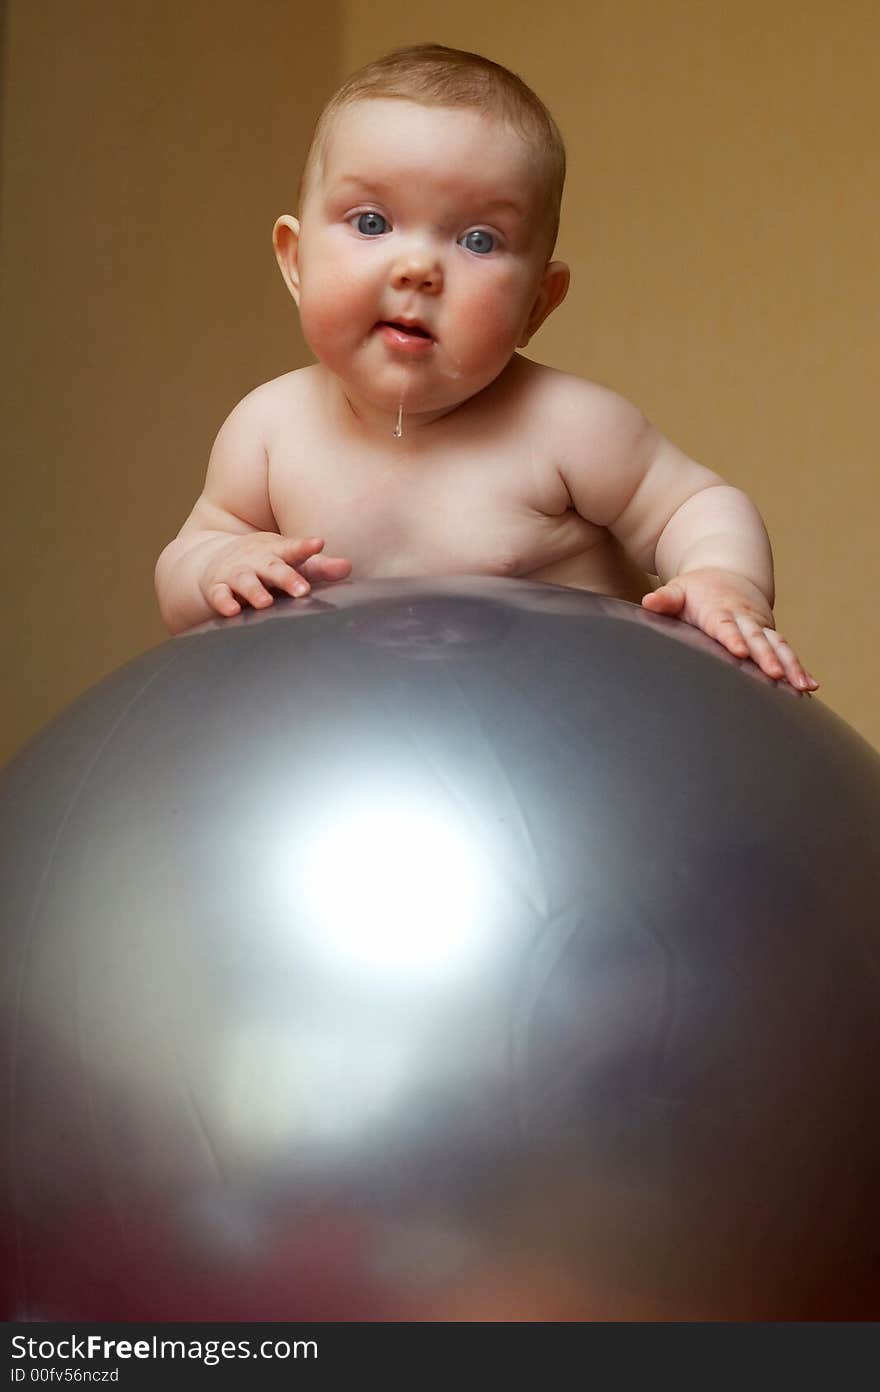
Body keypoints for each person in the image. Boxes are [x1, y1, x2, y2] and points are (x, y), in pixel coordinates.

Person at [154, 43, 817, 691]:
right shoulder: (268, 430)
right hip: (363, 746)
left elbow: (697, 505)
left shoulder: (569, 428)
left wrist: (723, 578)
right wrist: (219, 562)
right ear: (296, 260)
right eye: (371, 221)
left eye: (479, 240)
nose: (417, 268)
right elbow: (184, 570)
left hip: (571, 742)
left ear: (537, 304)